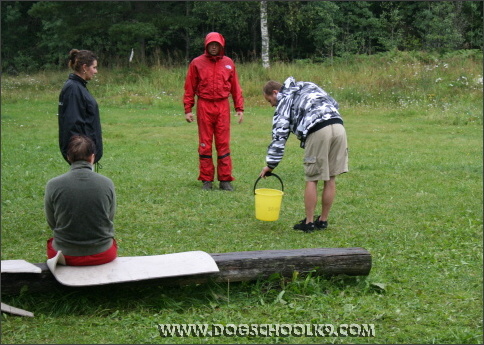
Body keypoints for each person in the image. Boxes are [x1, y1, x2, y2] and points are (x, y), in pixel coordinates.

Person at [259, 77, 348, 233]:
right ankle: (323, 220)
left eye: (270, 100)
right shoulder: (308, 85)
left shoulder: (284, 101)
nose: (272, 104)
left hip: (318, 130)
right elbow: (333, 102)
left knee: (312, 178)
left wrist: (271, 165)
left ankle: (309, 223)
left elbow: (279, 136)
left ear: (275, 92)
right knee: (331, 177)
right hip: (338, 126)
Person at [183, 32, 244, 191]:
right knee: (205, 143)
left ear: (221, 46)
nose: (214, 47)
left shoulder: (229, 63)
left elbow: (235, 87)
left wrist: (239, 108)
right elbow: (189, 87)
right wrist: (188, 109)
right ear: (206, 46)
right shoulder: (197, 63)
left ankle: (225, 180)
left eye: (217, 45)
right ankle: (206, 180)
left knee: (223, 143)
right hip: (204, 106)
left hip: (223, 106)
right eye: (211, 45)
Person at [45, 135, 117, 265]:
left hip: (64, 255)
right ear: (93, 156)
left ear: (68, 157)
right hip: (102, 253)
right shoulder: (107, 183)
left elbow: (52, 222)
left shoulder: (53, 184)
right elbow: (109, 217)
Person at [58, 49, 103, 170]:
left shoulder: (78, 87)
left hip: (86, 156)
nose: (96, 71)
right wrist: (81, 156)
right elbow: (72, 124)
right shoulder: (73, 89)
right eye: (94, 67)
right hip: (82, 157)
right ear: (84, 67)